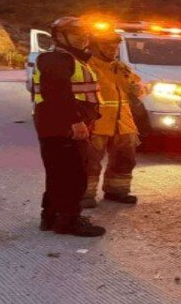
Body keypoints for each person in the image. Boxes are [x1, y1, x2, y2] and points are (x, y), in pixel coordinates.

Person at [32, 17, 106, 237]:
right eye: (76, 34)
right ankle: (69, 221)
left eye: (85, 34)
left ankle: (52, 217)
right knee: (74, 176)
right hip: (63, 127)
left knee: (59, 173)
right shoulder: (57, 59)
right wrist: (75, 121)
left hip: (56, 126)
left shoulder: (70, 59)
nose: (83, 38)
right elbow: (56, 94)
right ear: (59, 37)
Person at [82, 29, 146, 208]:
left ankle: (117, 191)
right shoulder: (86, 67)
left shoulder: (120, 67)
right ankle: (85, 195)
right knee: (90, 162)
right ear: (94, 46)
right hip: (97, 123)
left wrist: (138, 89)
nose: (112, 49)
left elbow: (140, 86)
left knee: (125, 159)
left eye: (115, 46)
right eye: (106, 46)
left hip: (123, 123)